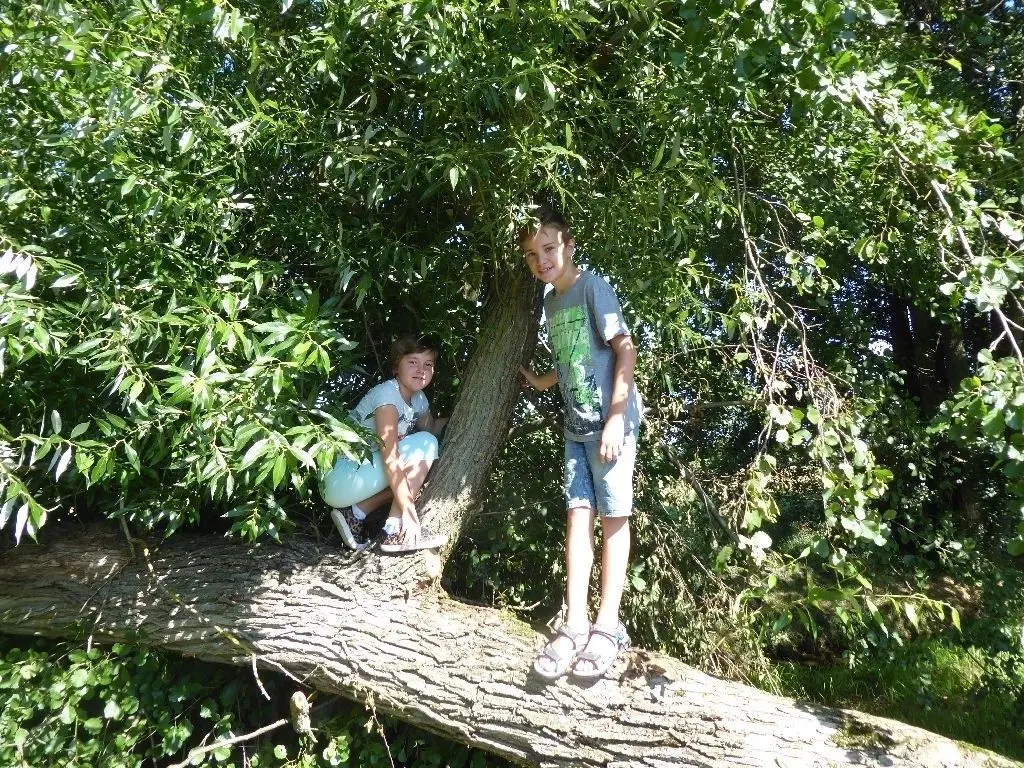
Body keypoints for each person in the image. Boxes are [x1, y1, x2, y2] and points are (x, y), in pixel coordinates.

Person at [518, 205, 642, 680]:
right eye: (532, 254)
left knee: (613, 518)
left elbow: (624, 348)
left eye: (548, 248)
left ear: (567, 245)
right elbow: (576, 358)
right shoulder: (550, 302)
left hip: (612, 425)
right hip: (575, 425)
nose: (541, 260)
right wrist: (544, 381)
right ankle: (573, 624)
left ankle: (606, 627)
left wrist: (614, 418)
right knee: (577, 515)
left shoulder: (593, 287)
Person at [321, 334, 448, 553]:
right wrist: (409, 510)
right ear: (396, 367)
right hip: (341, 475)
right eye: (413, 362)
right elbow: (391, 457)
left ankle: (356, 512)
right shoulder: (387, 396)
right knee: (425, 446)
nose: (421, 369)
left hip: (358, 477)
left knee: (425, 454)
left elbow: (432, 427)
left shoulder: (418, 399)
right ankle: (394, 530)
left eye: (428, 364)